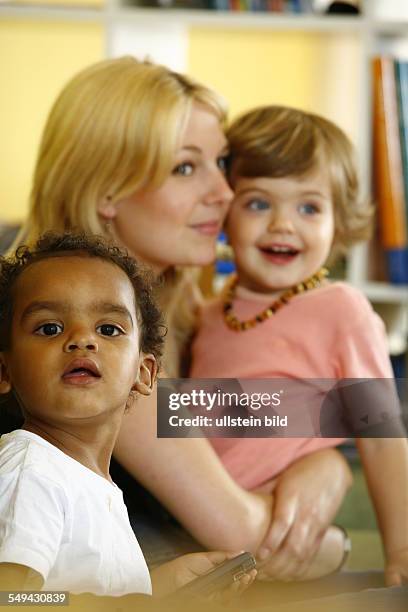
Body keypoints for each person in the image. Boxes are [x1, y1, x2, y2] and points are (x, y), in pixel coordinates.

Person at [5, 57, 353, 578]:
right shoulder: (99, 351)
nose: (225, 193)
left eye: (221, 162)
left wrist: (327, 464)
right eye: (185, 168)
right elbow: (248, 540)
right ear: (107, 193)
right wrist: (339, 542)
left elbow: (302, 415)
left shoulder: (195, 315)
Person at [190, 105, 408, 585]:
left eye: (309, 207)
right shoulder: (204, 314)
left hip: (283, 535)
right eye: (258, 203)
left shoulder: (341, 309)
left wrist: (401, 548)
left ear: (339, 220)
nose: (283, 224)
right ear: (223, 210)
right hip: (199, 530)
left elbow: (382, 435)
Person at [0, 232, 255, 607]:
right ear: (5, 370)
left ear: (145, 372)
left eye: (109, 329)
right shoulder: (30, 471)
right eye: (49, 328)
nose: (82, 339)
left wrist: (161, 587)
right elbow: (13, 599)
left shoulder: (92, 485)